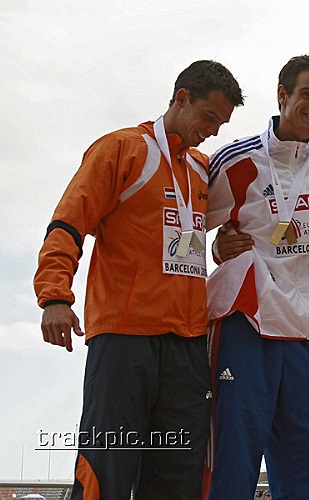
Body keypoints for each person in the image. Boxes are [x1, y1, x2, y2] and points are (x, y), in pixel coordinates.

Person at [33, 60, 244, 498]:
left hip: (187, 344)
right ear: (182, 98)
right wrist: (55, 296)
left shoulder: (204, 170)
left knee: (179, 472)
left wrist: (224, 245)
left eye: (222, 124)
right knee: (107, 465)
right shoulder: (120, 149)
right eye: (209, 117)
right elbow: (69, 223)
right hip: (125, 338)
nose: (214, 131)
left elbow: (239, 226)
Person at [204, 54, 309, 499]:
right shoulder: (234, 160)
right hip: (246, 325)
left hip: (307, 335)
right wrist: (215, 248)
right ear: (282, 95)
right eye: (308, 94)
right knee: (234, 461)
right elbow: (186, 225)